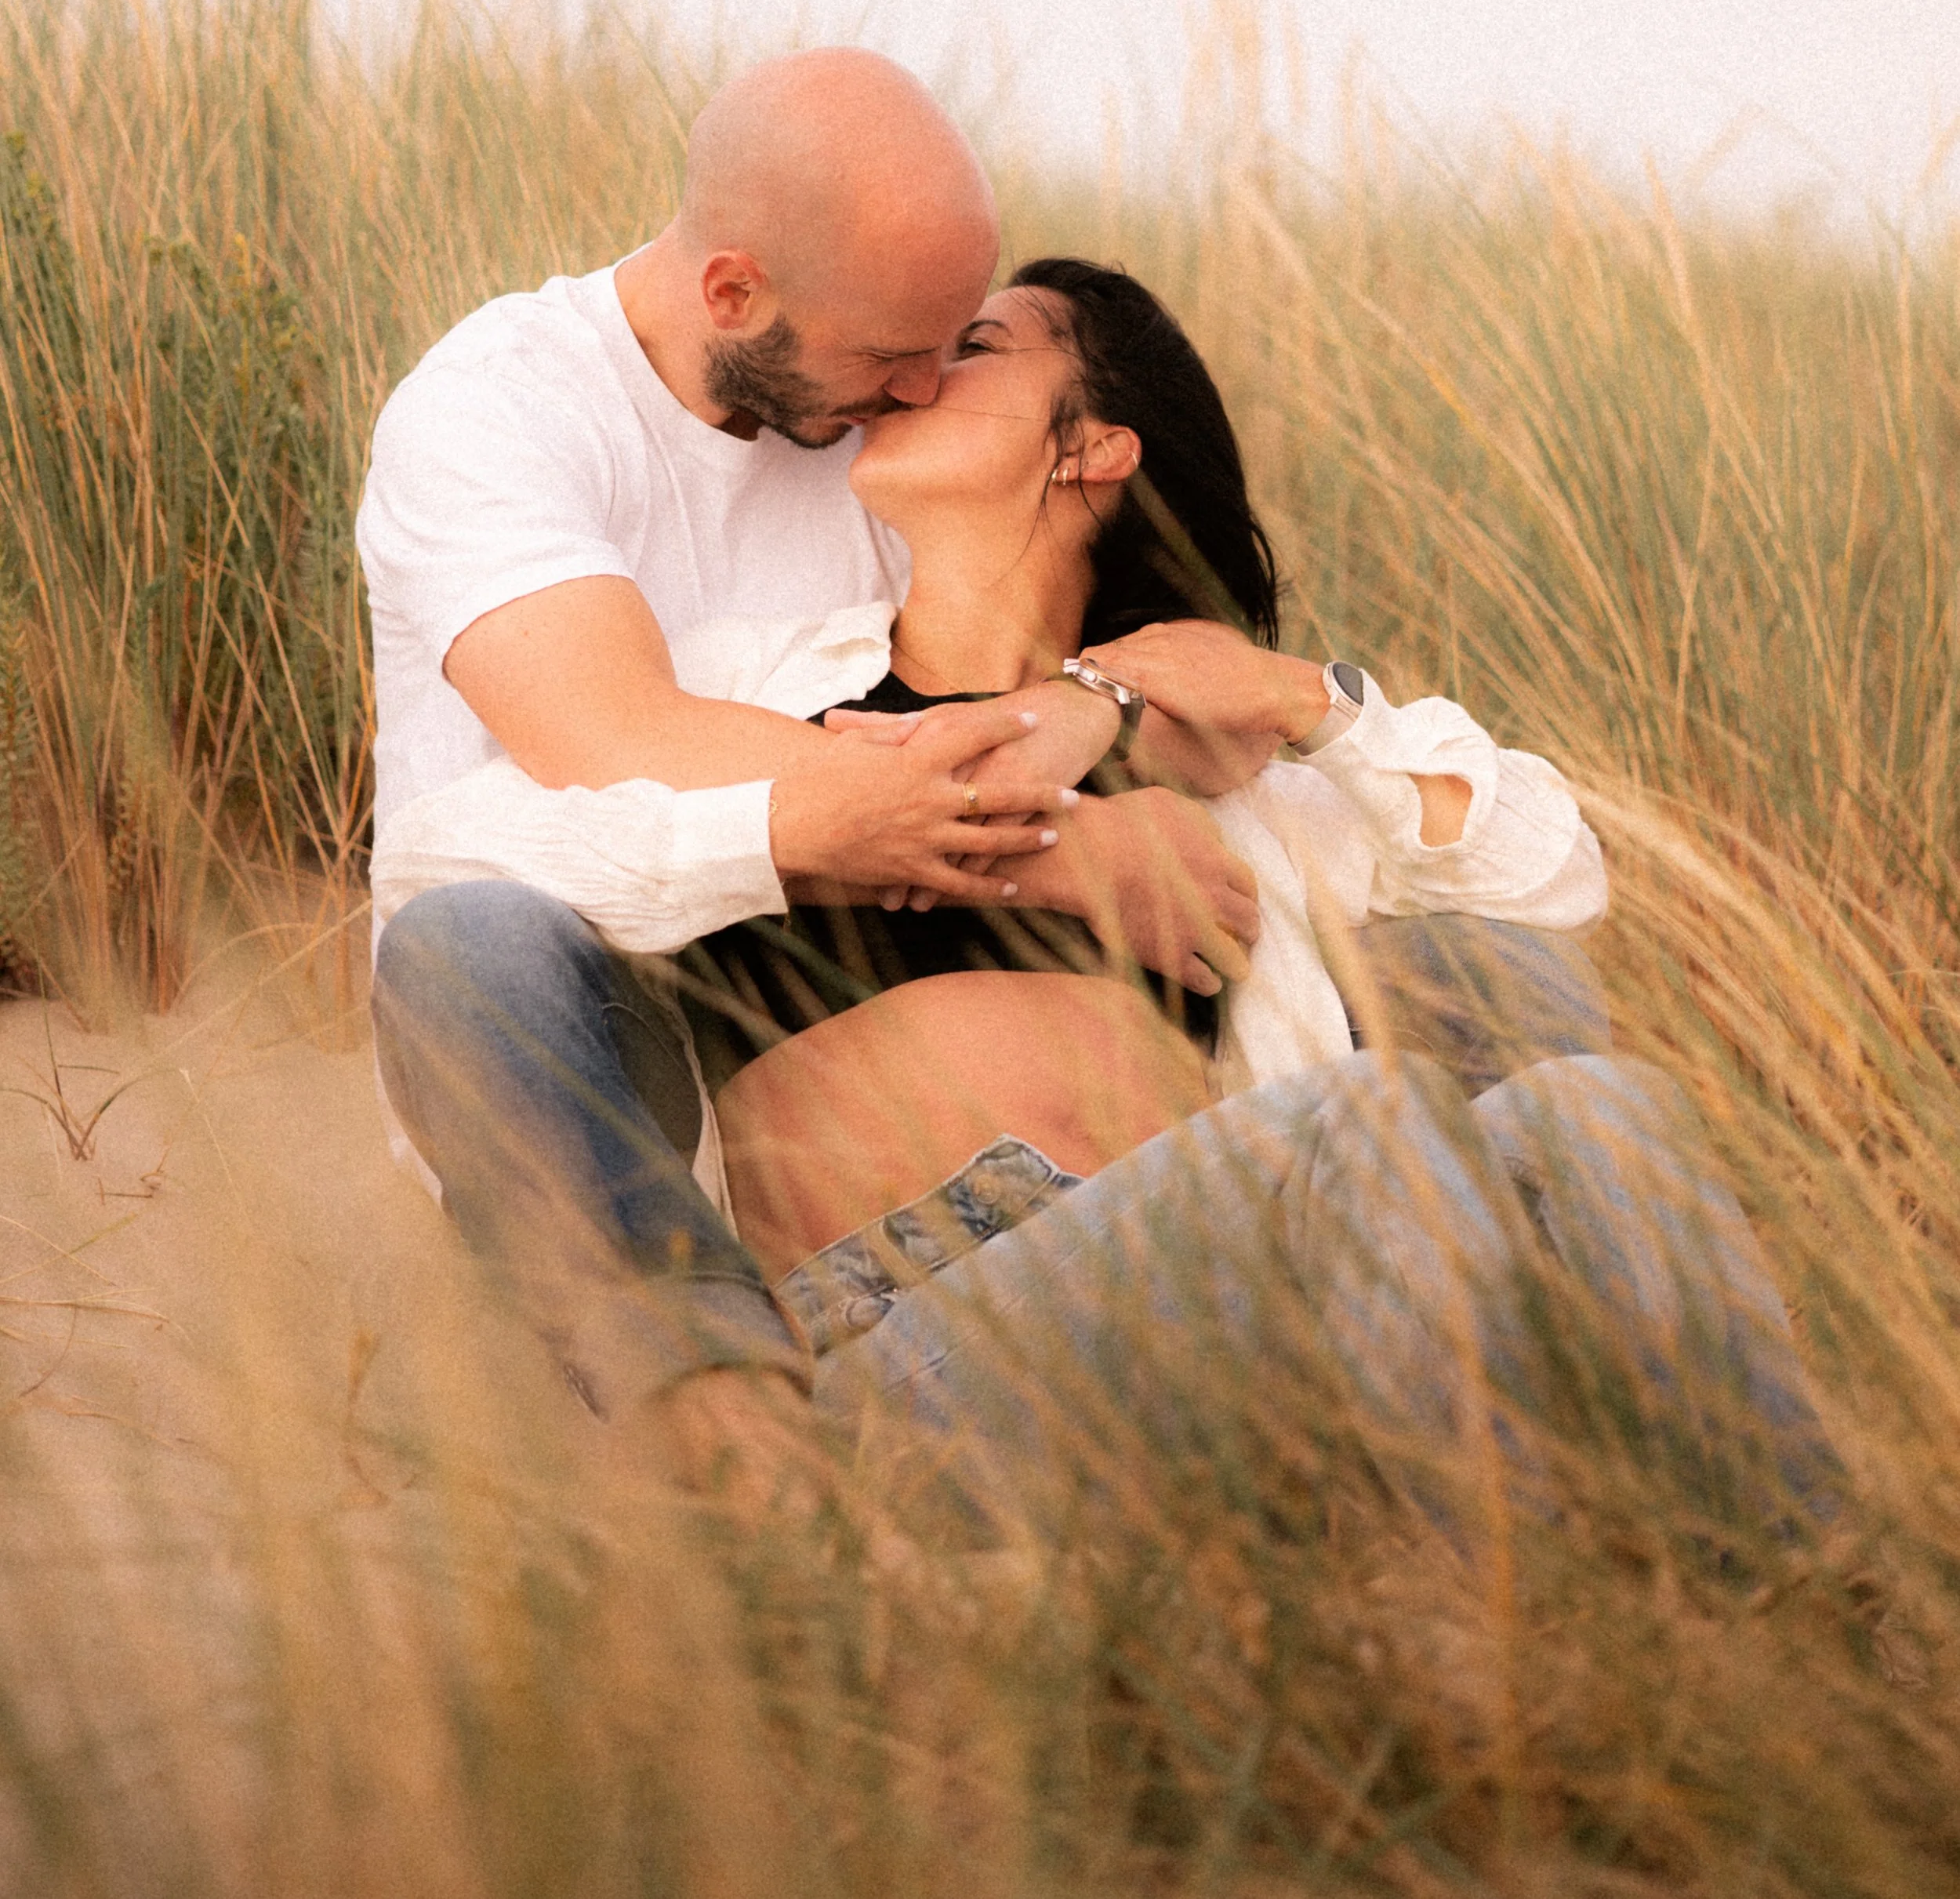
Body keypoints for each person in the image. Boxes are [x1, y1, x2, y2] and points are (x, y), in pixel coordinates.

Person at [370, 253, 1842, 1541]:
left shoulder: (1205, 774)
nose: (919, 372)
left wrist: (1286, 697)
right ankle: (1514, 1633)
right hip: (909, 1334)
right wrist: (987, 839)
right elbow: (451, 880)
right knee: (1367, 1115)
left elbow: (1543, 871)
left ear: (1093, 448)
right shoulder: (762, 692)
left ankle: (1789, 1608)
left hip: (1219, 1290)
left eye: (979, 346)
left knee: (1602, 1109)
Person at [358, 53, 1282, 1494]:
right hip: (592, 1067)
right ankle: (727, 1428)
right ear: (734, 293)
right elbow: (616, 739)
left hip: (889, 1145)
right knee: (473, 944)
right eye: (895, 353)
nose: (920, 388)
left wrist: (1098, 701)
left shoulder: (862, 441)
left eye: (955, 345)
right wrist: (1051, 849)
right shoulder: (500, 411)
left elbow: (1104, 622)